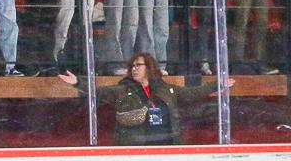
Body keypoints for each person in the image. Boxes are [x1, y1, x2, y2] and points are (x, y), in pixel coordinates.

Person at [57, 53, 218, 146]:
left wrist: (217, 85)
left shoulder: (165, 89)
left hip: (167, 146)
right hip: (136, 147)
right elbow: (98, 92)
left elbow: (193, 93)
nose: (134, 69)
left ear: (149, 67)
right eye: (132, 66)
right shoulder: (123, 90)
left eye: (138, 65)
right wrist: (77, 83)